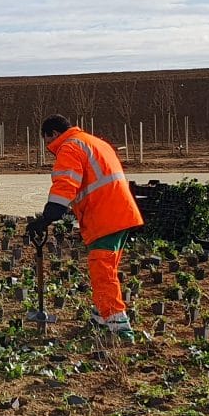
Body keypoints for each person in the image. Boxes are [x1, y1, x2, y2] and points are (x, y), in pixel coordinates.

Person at [25, 114, 144, 340]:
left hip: (105, 217)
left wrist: (46, 219)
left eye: (47, 140)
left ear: (53, 134)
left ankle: (120, 329)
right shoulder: (94, 142)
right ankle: (101, 318)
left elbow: (65, 186)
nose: (49, 147)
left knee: (103, 271)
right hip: (120, 213)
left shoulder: (69, 148)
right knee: (106, 269)